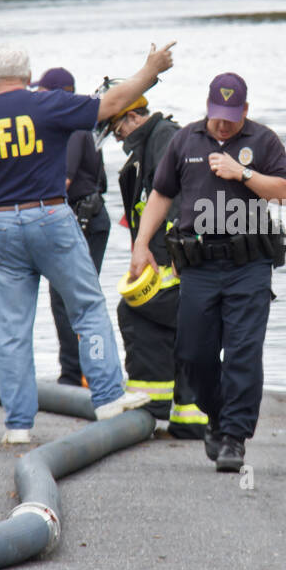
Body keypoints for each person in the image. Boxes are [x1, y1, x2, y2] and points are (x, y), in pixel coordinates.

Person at [0, 42, 176, 443]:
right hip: (50, 216)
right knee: (85, 307)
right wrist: (150, 70)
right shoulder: (47, 104)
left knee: (11, 329)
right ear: (29, 77)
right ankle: (105, 398)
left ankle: (17, 426)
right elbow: (111, 103)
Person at [129, 73, 286, 472]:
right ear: (207, 108)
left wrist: (243, 174)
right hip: (198, 266)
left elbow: (285, 192)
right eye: (217, 116)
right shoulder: (185, 140)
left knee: (242, 352)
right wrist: (140, 245)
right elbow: (161, 194)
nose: (223, 124)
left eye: (231, 117)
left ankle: (234, 437)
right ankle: (217, 417)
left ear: (246, 111)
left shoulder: (263, 141)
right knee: (193, 353)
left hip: (249, 265)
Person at [97, 86, 207, 437]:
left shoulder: (165, 139)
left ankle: (175, 408)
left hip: (181, 260)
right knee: (156, 319)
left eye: (119, 129)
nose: (118, 139)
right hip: (160, 260)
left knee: (145, 314)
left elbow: (186, 194)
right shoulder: (144, 150)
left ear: (133, 116)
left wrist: (182, 250)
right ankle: (164, 405)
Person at [36, 67, 111, 387]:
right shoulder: (80, 125)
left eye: (41, 94)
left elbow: (62, 180)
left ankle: (76, 373)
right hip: (86, 217)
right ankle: (78, 370)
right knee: (71, 296)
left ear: (56, 94)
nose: (36, 100)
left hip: (84, 219)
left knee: (68, 297)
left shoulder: (70, 130)